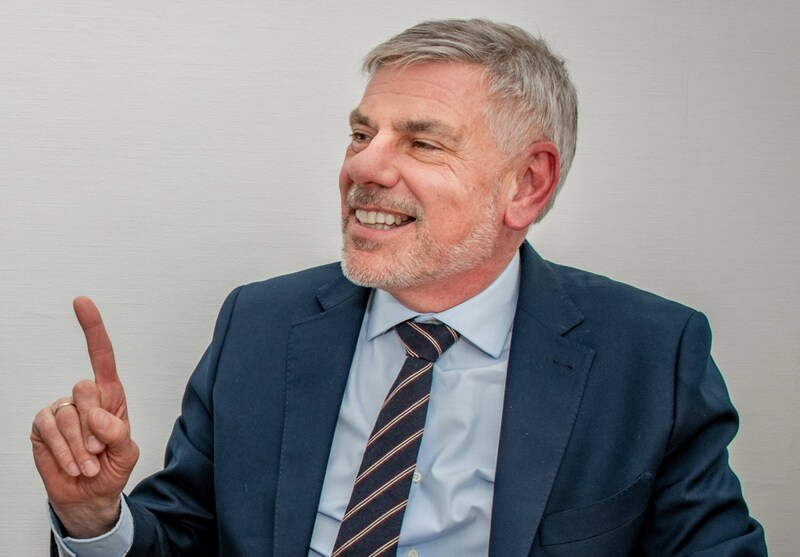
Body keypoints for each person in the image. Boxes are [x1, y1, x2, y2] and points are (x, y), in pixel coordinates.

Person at [31, 18, 767, 557]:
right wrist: (96, 518)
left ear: (527, 184)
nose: (363, 167)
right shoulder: (259, 323)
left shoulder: (650, 355)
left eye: (422, 141)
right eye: (361, 134)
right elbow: (185, 534)